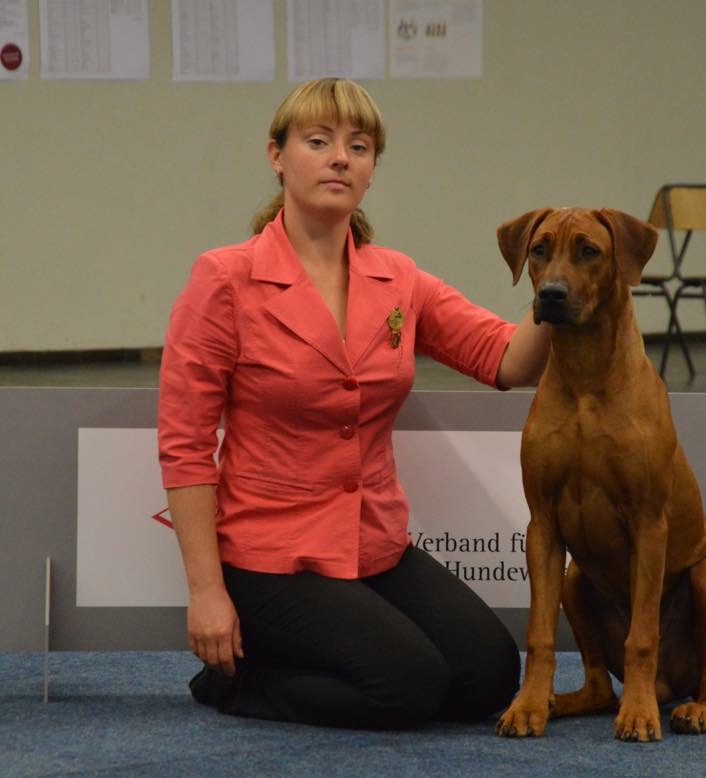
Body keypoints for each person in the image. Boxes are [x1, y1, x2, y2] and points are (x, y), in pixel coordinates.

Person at [157, 78, 550, 729]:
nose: (341, 158)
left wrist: (560, 279)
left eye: (359, 147)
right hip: (269, 558)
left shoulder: (399, 277)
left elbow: (508, 360)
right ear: (276, 155)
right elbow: (185, 446)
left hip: (373, 547)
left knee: (489, 674)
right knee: (409, 686)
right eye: (318, 142)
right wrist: (206, 592)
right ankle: (235, 686)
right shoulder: (224, 278)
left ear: (370, 171)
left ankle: (350, 660)